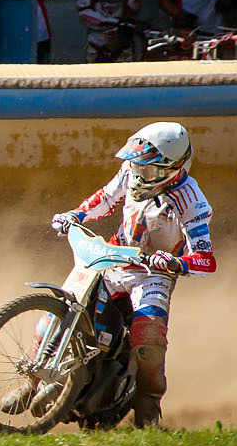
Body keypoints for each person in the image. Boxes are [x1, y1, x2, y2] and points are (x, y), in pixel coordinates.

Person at [42, 121, 214, 429]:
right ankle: (35, 375)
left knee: (147, 337)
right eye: (135, 165)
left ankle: (148, 405)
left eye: (148, 170)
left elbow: (205, 259)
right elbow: (106, 198)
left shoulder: (192, 201)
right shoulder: (130, 170)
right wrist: (76, 215)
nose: (138, 174)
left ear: (172, 169)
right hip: (113, 257)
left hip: (152, 274)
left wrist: (174, 263)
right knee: (67, 304)